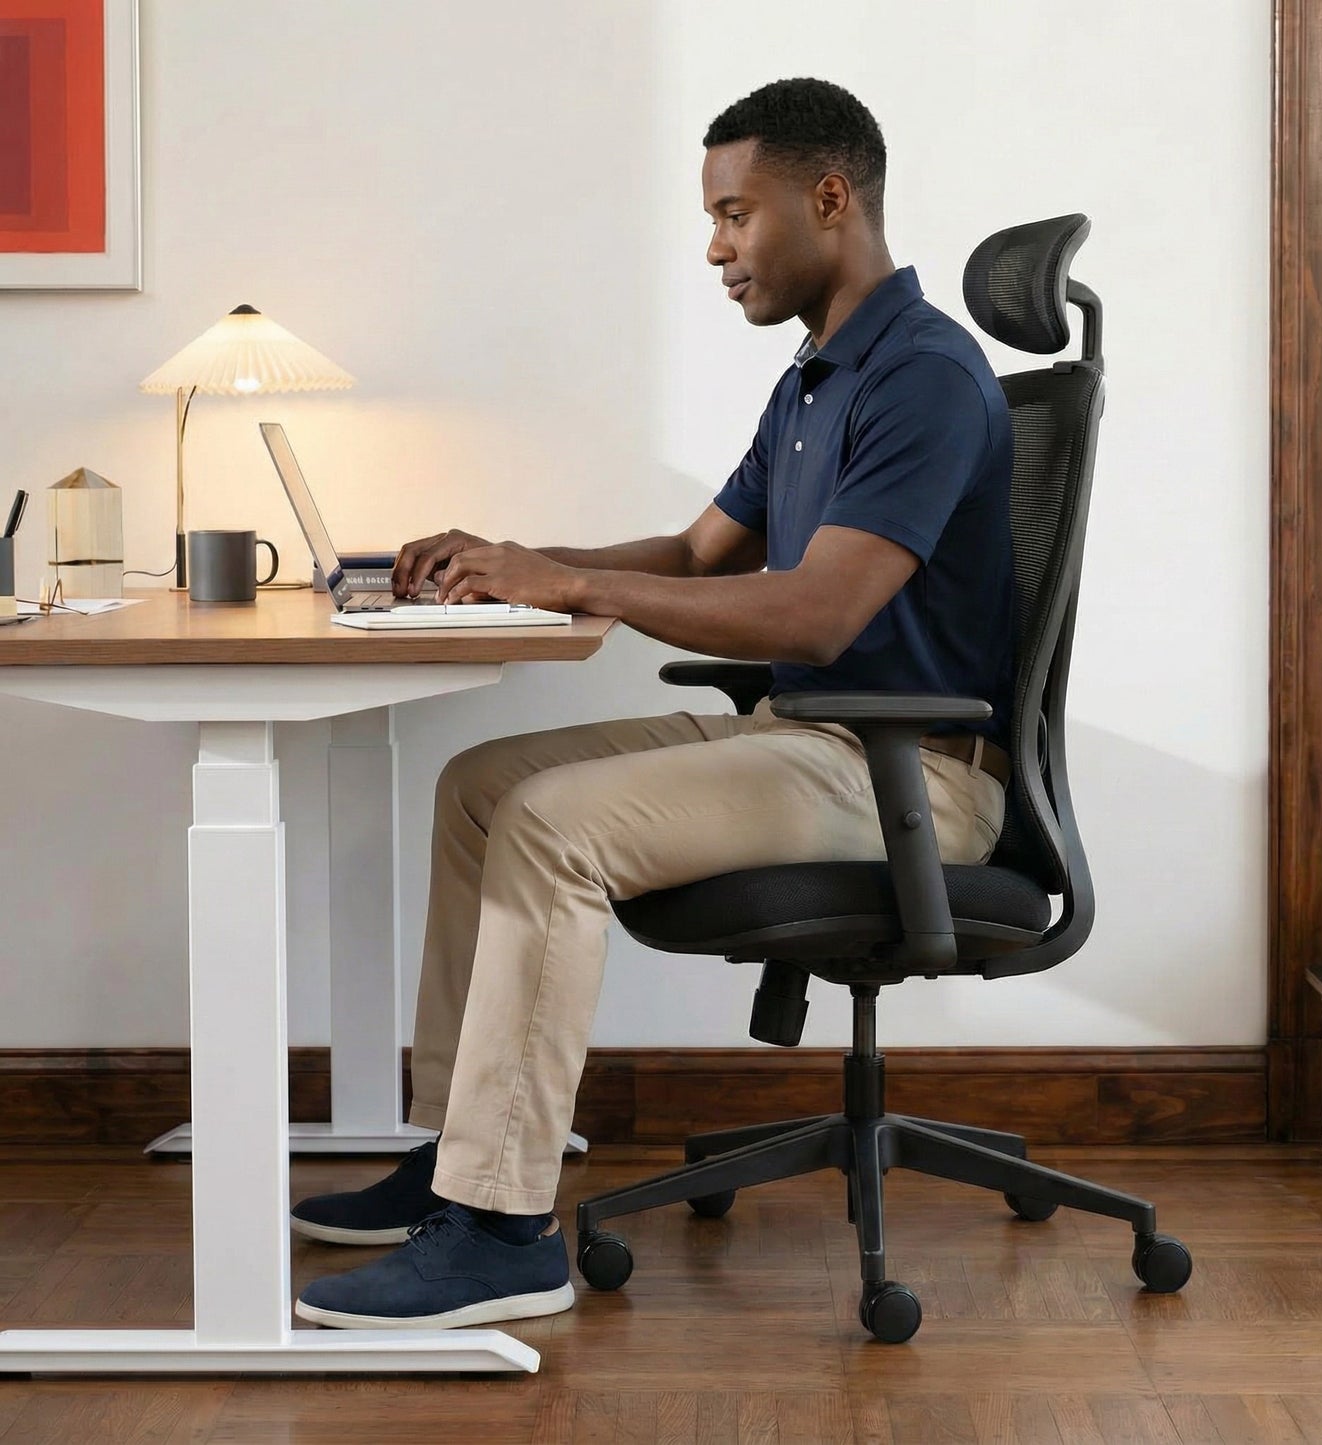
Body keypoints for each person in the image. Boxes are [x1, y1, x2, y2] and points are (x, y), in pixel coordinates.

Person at [292, 76, 1015, 1331]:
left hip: (914, 773)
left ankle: (502, 1232)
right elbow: (695, 556)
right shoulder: (811, 381)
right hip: (812, 741)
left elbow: (813, 614)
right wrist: (509, 567)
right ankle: (460, 1163)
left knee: (553, 822)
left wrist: (571, 584)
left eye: (737, 214)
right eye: (712, 218)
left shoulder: (924, 375)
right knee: (483, 787)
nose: (716, 248)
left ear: (828, 197)